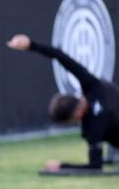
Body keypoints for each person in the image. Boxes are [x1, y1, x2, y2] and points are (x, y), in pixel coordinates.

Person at [7, 34, 119, 170]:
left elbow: (95, 167)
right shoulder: (93, 85)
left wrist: (61, 165)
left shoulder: (93, 128)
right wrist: (31, 45)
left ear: (76, 115)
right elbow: (60, 56)